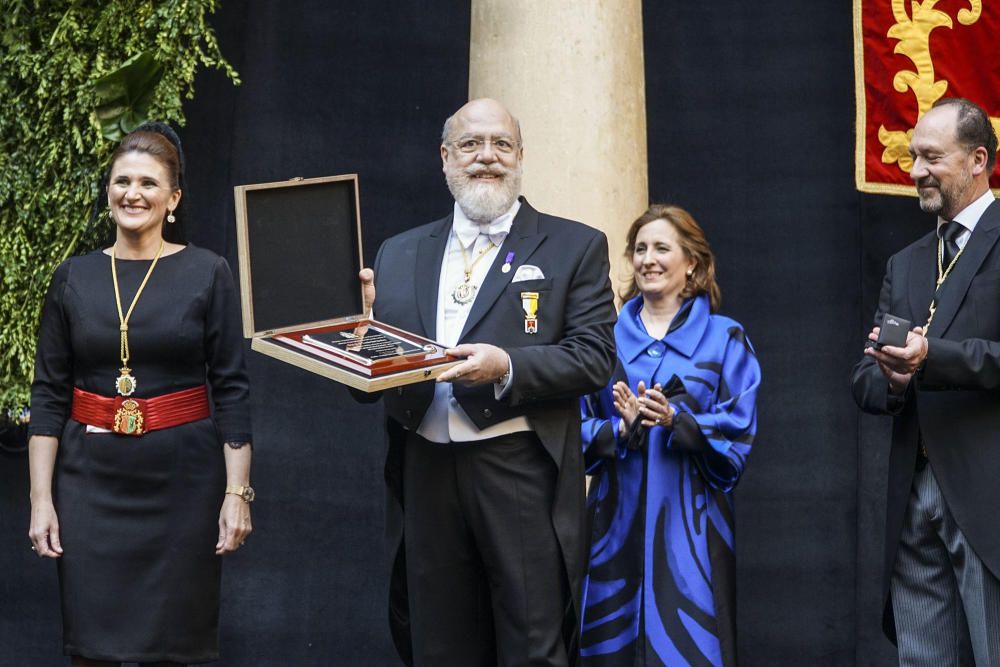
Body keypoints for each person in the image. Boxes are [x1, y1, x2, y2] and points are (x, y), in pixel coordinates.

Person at [356, 98, 617, 665]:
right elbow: (368, 379)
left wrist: (510, 366)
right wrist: (356, 339)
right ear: (446, 158)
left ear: (521, 156)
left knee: (531, 645)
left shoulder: (575, 245)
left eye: (501, 144)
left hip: (517, 470)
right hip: (424, 468)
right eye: (471, 145)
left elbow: (596, 358)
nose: (486, 158)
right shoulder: (398, 252)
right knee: (439, 645)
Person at [27, 122, 254, 666]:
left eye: (149, 183)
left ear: (173, 198)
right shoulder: (73, 278)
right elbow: (49, 396)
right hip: (90, 487)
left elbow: (232, 389)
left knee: (175, 652)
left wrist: (236, 494)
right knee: (91, 650)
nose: (133, 193)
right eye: (121, 181)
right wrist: (41, 500)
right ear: (107, 192)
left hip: (183, 486)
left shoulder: (208, 272)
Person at [852, 97, 1000, 664]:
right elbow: (865, 380)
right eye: (914, 157)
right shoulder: (905, 262)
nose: (916, 171)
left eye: (931, 157)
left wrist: (929, 356)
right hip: (911, 496)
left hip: (986, 499)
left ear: (977, 159)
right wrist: (891, 377)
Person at [578, 205, 760, 666]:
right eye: (640, 249)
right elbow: (572, 429)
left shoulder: (725, 338)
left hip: (692, 529)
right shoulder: (603, 342)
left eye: (662, 248)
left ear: (692, 263)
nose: (648, 259)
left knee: (692, 648)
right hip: (612, 526)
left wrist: (678, 423)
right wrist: (618, 429)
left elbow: (739, 430)